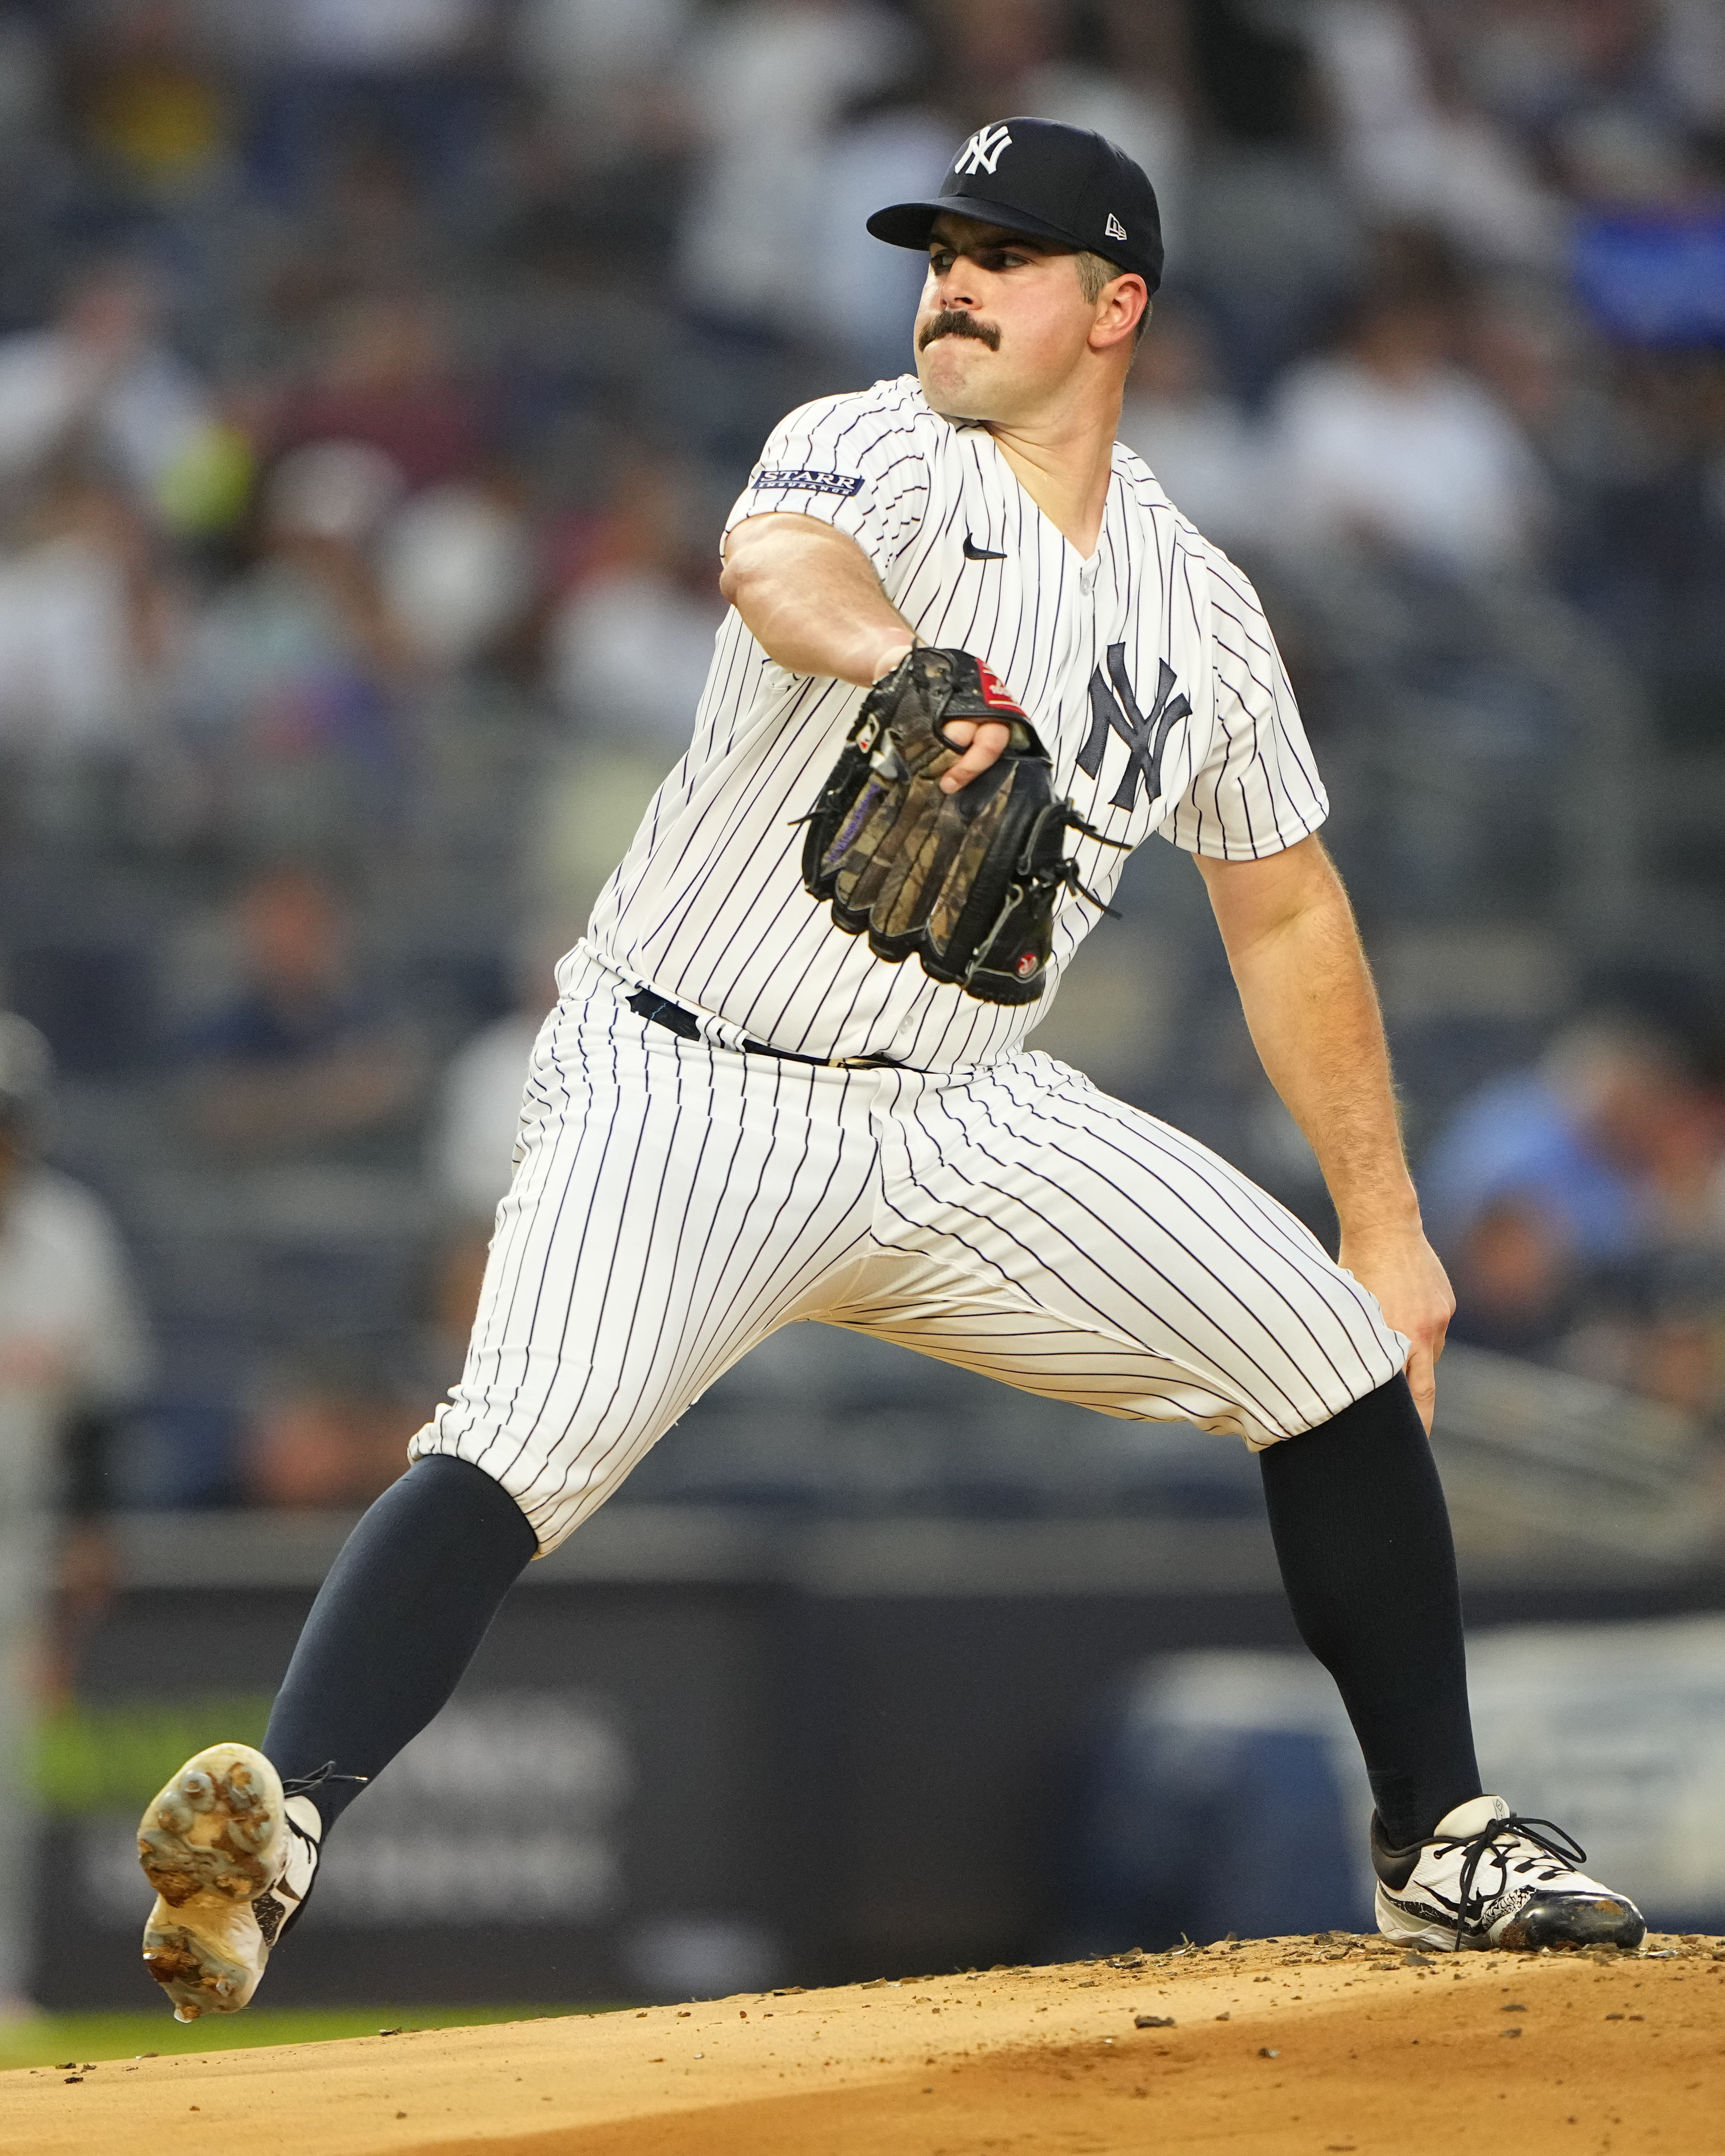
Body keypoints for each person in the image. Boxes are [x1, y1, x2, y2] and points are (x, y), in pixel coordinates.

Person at [133, 118, 1644, 2024]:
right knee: (517, 1446)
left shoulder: (1201, 610)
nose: (951, 278)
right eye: (940, 245)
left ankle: (1439, 1837)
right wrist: (901, 666)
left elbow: (1283, 910)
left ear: (1116, 308)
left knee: (1334, 1362)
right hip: (686, 1078)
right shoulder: (884, 445)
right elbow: (778, 563)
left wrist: (1386, 1217)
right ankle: (279, 1836)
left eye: (1003, 254)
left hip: (962, 1111)